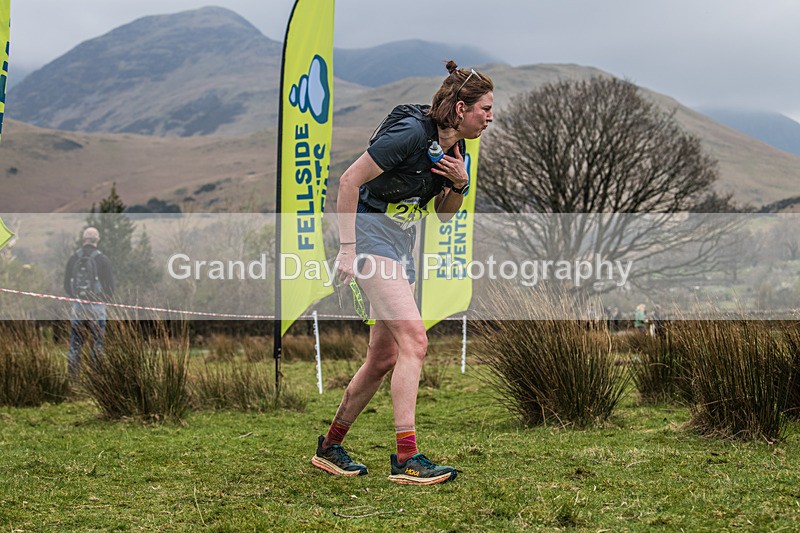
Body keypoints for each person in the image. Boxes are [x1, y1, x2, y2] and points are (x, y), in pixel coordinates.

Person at [312, 61, 493, 485]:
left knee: (383, 357)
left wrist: (460, 185)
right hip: (369, 240)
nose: (490, 117)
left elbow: (444, 217)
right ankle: (407, 456)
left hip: (399, 247)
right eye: (485, 108)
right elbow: (348, 181)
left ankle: (330, 447)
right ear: (462, 107)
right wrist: (347, 249)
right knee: (415, 341)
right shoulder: (411, 134)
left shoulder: (455, 149)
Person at [63, 227, 114, 382]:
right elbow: (110, 288)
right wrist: (101, 298)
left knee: (75, 345)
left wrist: (77, 297)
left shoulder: (73, 258)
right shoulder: (103, 260)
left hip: (78, 307)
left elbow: (66, 284)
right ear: (97, 240)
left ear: (83, 239)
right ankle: (96, 380)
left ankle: (73, 380)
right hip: (97, 308)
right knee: (98, 343)